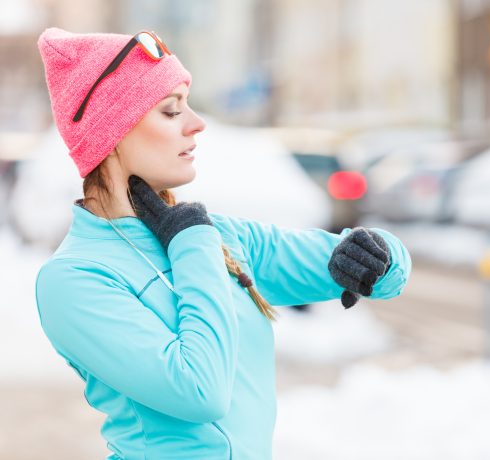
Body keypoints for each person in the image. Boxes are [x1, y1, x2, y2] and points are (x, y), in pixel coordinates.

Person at [34, 28, 411, 459]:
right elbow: (199, 390)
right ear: (113, 133)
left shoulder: (222, 236)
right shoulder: (74, 279)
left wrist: (380, 258)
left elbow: (373, 265)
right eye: (172, 111)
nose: (197, 123)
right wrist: (191, 243)